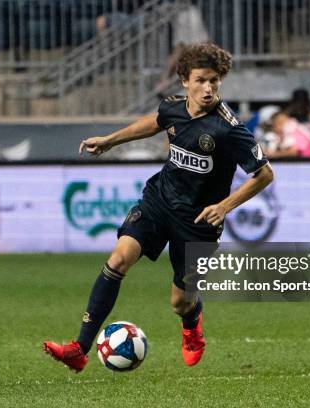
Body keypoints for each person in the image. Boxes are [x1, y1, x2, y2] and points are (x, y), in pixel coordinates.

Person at [43, 43, 274, 372]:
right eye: (201, 80)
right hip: (160, 201)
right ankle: (79, 349)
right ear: (185, 81)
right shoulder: (174, 108)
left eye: (214, 81)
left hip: (199, 222)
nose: (208, 88)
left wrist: (224, 206)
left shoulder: (230, 129)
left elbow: (264, 174)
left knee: (180, 302)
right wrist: (110, 140)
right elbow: (153, 123)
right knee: (118, 259)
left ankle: (192, 324)